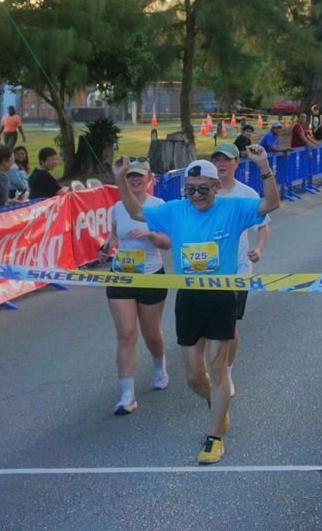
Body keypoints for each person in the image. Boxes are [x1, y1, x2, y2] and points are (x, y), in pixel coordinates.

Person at [114, 146, 281, 466]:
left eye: (203, 189)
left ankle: (214, 436)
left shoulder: (233, 208)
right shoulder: (176, 210)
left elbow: (271, 204)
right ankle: (218, 409)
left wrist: (263, 165)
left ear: (216, 186)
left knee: (218, 370)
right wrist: (122, 180)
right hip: (189, 299)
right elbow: (136, 212)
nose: (196, 196)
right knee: (193, 376)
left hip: (222, 296)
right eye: (190, 190)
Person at [102, 158, 171, 414]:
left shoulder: (158, 206)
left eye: (139, 176)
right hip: (121, 275)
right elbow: (113, 235)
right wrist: (106, 246)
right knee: (126, 333)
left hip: (151, 275)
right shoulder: (118, 207)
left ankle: (158, 365)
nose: (134, 179)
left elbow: (167, 243)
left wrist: (150, 234)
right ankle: (127, 395)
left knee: (151, 333)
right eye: (130, 176)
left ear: (149, 178)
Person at [208, 142, 270, 384]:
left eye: (226, 159)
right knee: (206, 326)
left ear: (236, 163)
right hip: (204, 271)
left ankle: (227, 372)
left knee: (227, 325)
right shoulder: (203, 191)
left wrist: (258, 248)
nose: (220, 164)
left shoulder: (247, 194)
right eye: (216, 159)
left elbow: (263, 227)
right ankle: (210, 369)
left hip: (237, 270)